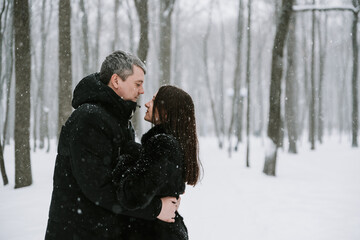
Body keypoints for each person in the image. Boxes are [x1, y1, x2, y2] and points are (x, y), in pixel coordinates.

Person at [45, 51, 179, 240]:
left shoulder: (118, 118)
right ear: (116, 81)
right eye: (138, 84)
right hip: (80, 232)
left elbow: (126, 176)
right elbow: (99, 188)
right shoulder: (89, 119)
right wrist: (156, 209)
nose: (142, 91)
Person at [112, 85, 201, 240]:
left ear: (166, 112)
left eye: (153, 100)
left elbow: (131, 195)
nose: (146, 104)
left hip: (155, 233)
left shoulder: (162, 144)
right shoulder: (172, 144)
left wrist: (126, 158)